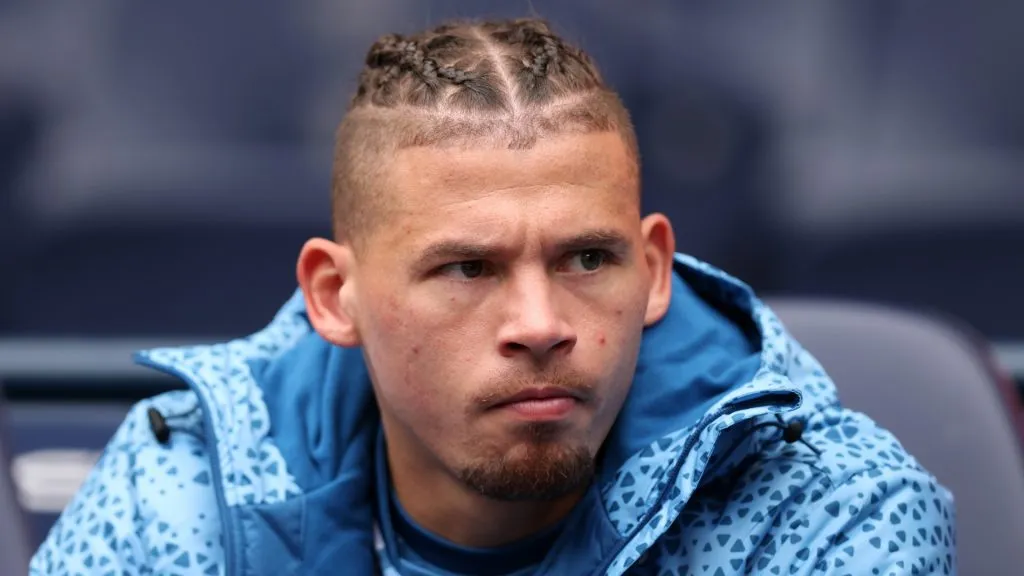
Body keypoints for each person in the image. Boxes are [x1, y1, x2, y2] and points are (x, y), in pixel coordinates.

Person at [30, 17, 955, 575]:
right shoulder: (183, 497)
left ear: (656, 271)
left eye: (588, 259)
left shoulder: (828, 512)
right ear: (333, 296)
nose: (542, 326)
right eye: (467, 269)